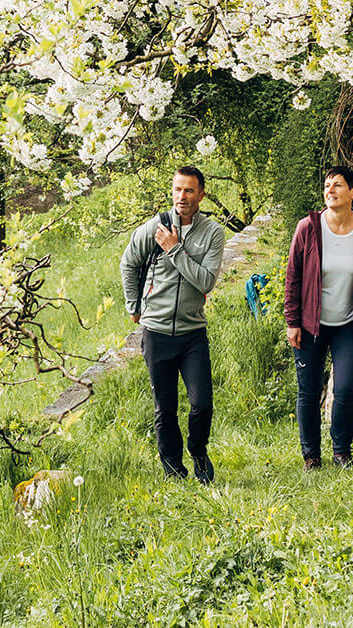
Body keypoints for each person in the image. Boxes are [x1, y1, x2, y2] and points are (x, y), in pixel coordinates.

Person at [119, 164, 228, 482]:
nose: (182, 196)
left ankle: (198, 451)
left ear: (201, 195)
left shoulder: (212, 233)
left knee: (202, 404)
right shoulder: (154, 227)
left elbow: (205, 281)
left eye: (189, 190)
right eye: (177, 189)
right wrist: (133, 305)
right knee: (164, 409)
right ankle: (173, 470)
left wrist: (175, 249)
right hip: (156, 331)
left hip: (193, 333)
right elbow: (128, 263)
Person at [283, 164, 353, 470]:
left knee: (344, 388)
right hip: (310, 324)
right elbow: (293, 278)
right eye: (327, 185)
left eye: (338, 185)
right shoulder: (308, 227)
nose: (330, 190)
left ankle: (342, 452)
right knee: (309, 390)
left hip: (349, 325)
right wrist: (292, 322)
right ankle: (311, 456)